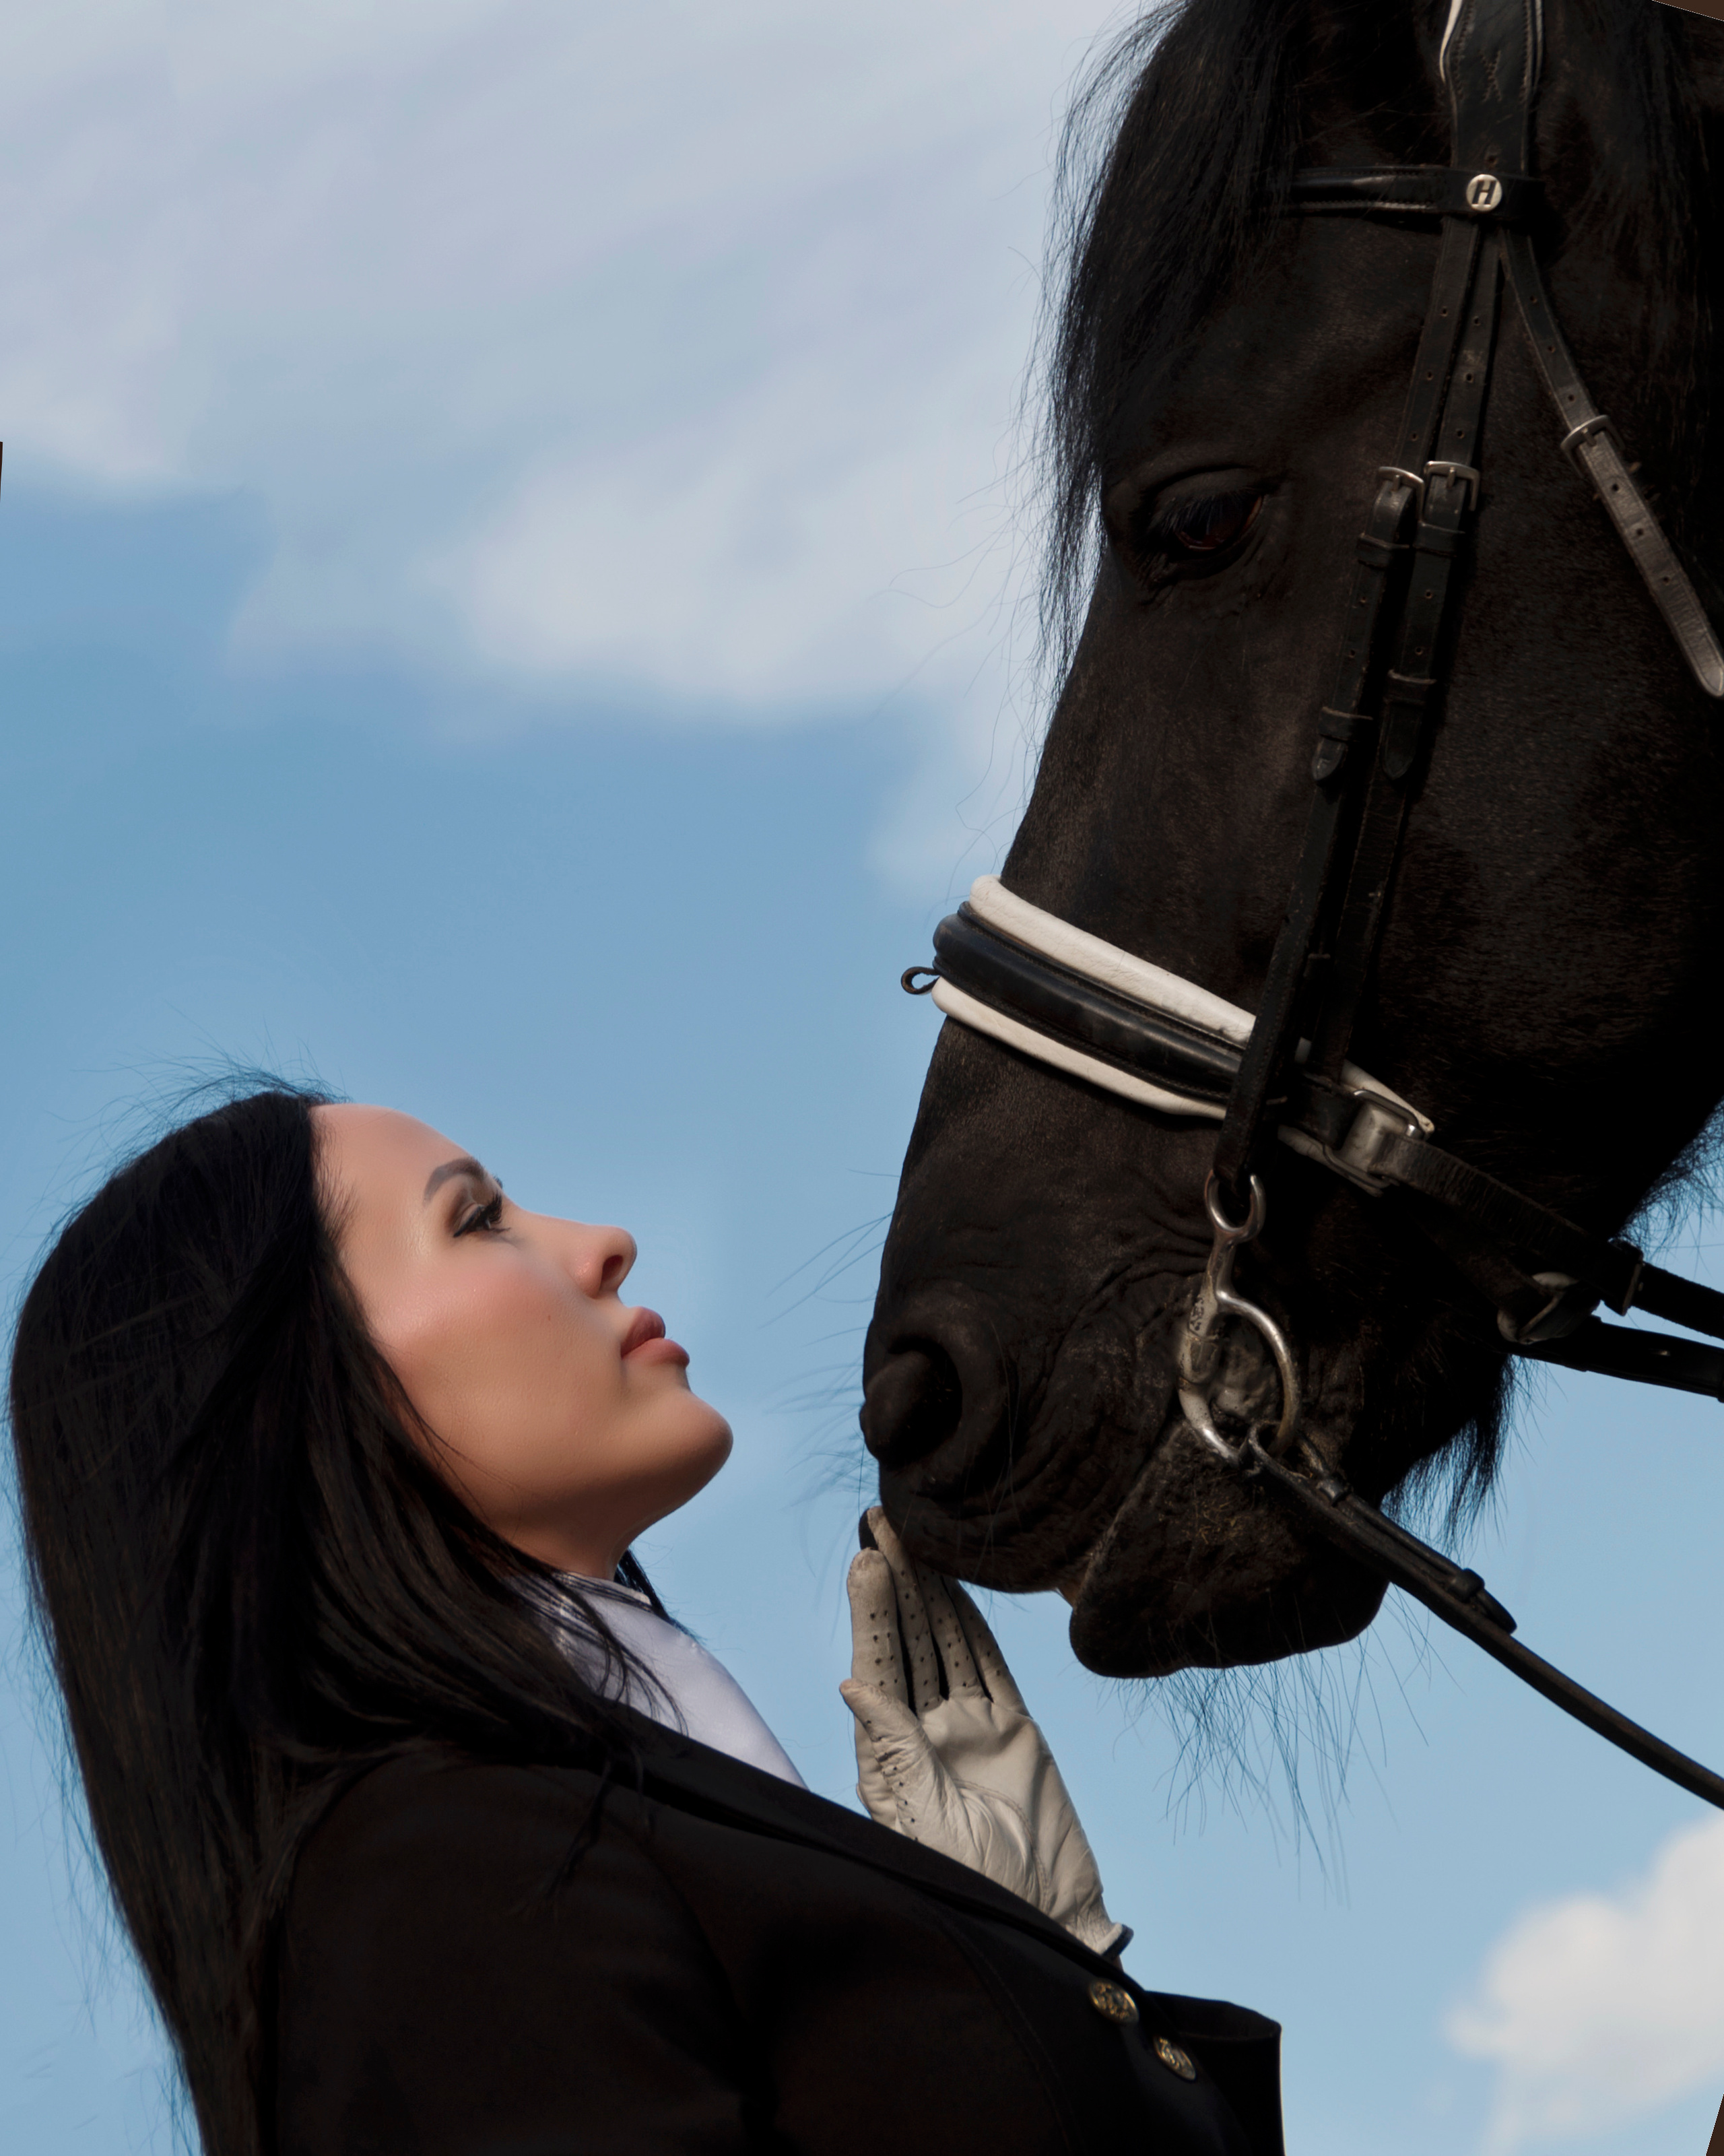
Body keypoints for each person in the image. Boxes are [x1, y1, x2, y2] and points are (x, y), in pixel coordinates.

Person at [8, 1086, 1286, 2156]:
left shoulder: (542, 1828)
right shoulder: (436, 1887)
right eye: (479, 1219)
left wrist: (1045, 1961)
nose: (601, 1241)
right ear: (298, 1405)